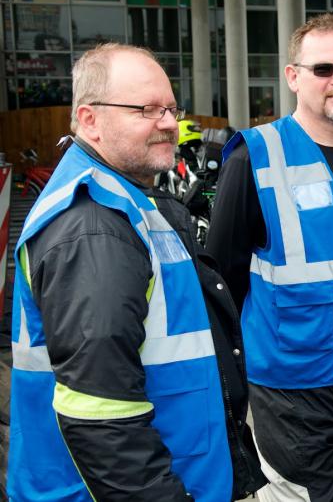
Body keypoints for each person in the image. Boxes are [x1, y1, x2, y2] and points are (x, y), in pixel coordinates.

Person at [8, 43, 265, 501]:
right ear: (90, 120)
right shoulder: (93, 228)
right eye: (146, 109)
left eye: (170, 107)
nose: (168, 122)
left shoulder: (130, 202)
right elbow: (102, 418)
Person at [205, 13, 333, 502]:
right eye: (323, 68)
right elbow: (222, 276)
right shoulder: (255, 155)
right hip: (294, 378)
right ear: (293, 76)